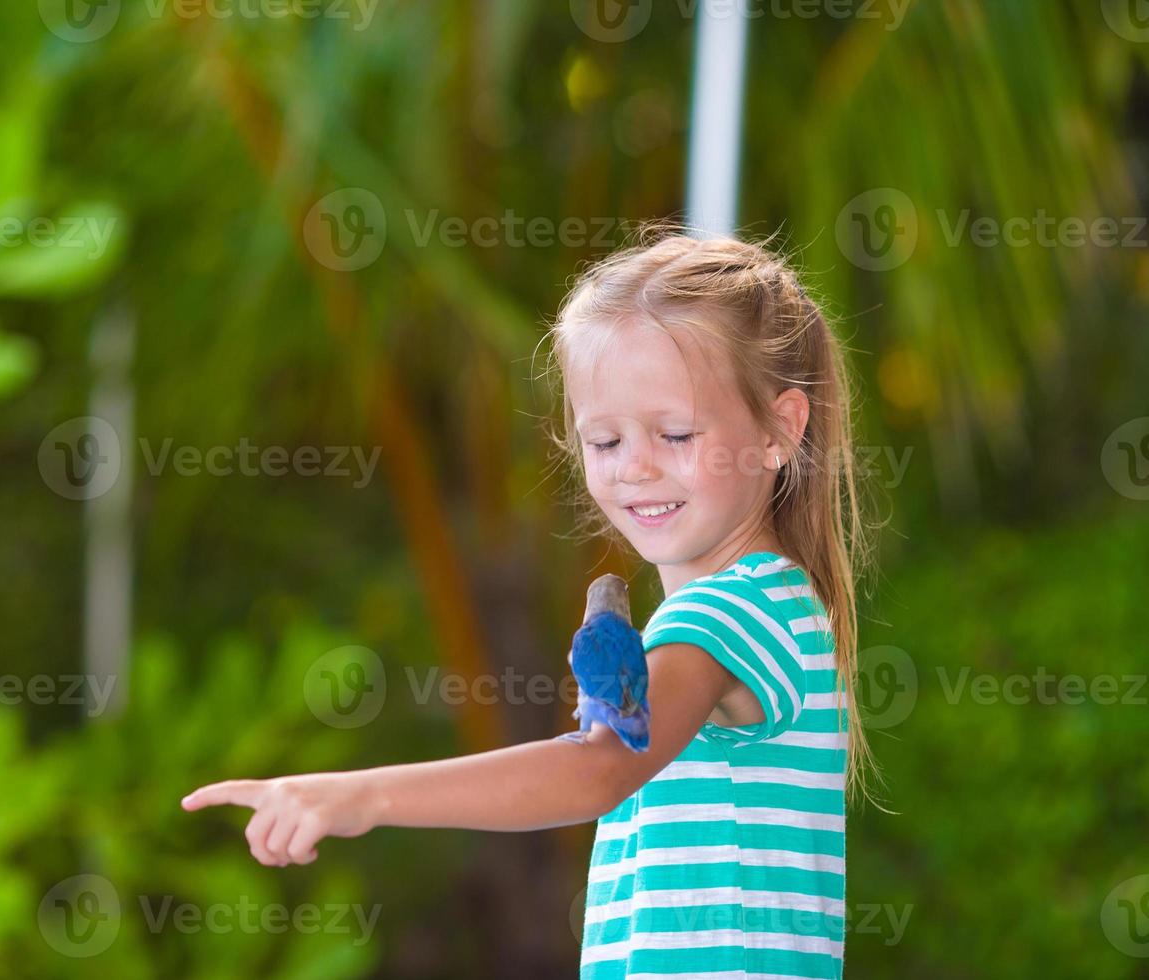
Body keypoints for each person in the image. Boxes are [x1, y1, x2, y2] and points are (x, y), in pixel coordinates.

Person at [182, 227, 879, 979]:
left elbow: (597, 770)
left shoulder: (725, 616)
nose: (636, 467)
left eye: (674, 433)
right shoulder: (775, 606)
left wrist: (361, 797)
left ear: (781, 429)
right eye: (605, 442)